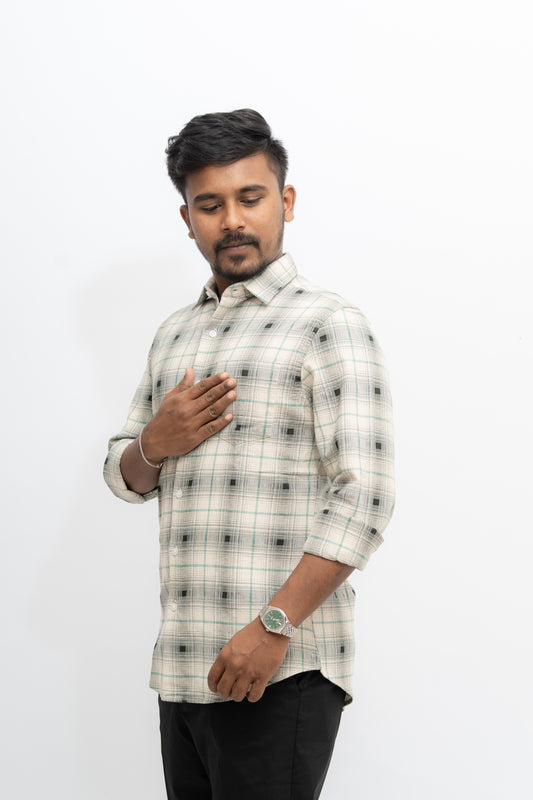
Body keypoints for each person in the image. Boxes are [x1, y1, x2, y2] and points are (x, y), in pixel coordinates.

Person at [104, 108, 395, 800]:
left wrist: (273, 627)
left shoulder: (328, 323)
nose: (231, 220)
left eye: (250, 197)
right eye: (210, 205)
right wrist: (155, 443)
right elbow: (123, 474)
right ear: (188, 219)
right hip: (183, 669)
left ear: (285, 201)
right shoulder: (174, 334)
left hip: (280, 667)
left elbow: (365, 498)